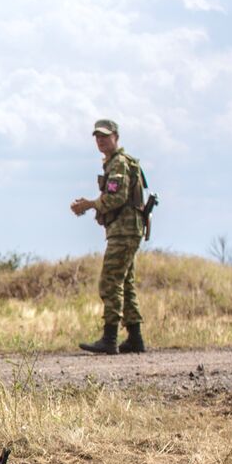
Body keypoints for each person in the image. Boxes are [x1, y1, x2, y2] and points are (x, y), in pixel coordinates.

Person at [70, 118, 148, 354]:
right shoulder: (116, 163)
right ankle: (135, 338)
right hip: (125, 229)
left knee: (110, 281)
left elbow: (117, 197)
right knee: (125, 282)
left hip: (124, 231)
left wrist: (90, 204)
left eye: (105, 136)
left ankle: (110, 337)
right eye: (97, 137)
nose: (101, 140)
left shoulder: (118, 164)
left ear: (116, 137)